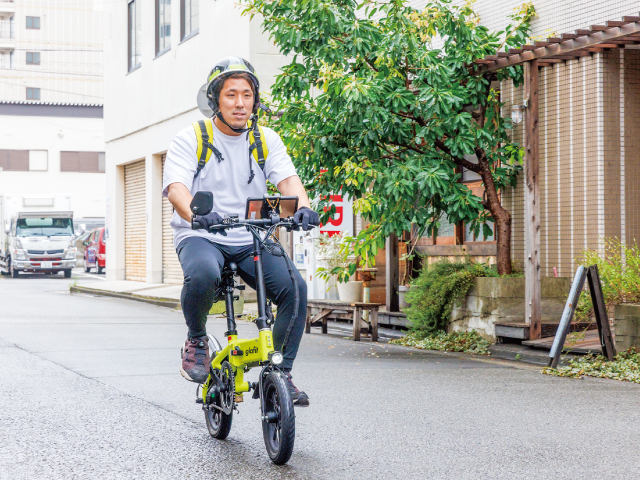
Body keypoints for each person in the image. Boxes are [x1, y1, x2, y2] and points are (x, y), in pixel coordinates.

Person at [162, 57, 319, 407]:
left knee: (295, 288)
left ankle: (280, 373)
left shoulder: (266, 139)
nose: (239, 103)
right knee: (202, 274)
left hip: (250, 235)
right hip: (202, 234)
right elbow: (176, 188)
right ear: (216, 99)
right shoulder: (192, 137)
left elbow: (288, 179)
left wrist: (303, 206)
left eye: (247, 95)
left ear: (255, 101)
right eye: (231, 94)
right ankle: (197, 339)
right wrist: (196, 215)